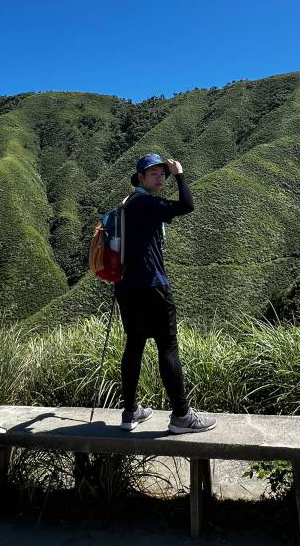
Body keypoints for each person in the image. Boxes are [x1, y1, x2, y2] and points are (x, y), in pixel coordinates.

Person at [115, 152, 217, 434]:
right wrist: (179, 174)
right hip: (152, 287)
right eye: (154, 174)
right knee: (167, 346)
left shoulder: (126, 205)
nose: (160, 177)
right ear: (141, 178)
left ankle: (130, 412)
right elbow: (187, 205)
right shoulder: (147, 204)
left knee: (134, 345)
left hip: (126, 288)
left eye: (163, 173)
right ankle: (182, 416)